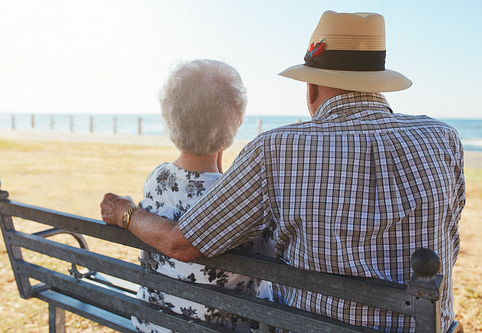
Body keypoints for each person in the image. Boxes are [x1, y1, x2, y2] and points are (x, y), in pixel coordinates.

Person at [101, 11, 465, 332]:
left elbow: (183, 242)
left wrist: (125, 212)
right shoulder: (445, 139)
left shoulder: (277, 148)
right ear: (378, 81)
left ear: (312, 87)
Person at [120, 59, 274, 333]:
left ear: (171, 117)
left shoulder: (158, 178)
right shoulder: (245, 198)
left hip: (154, 325)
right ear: (235, 121)